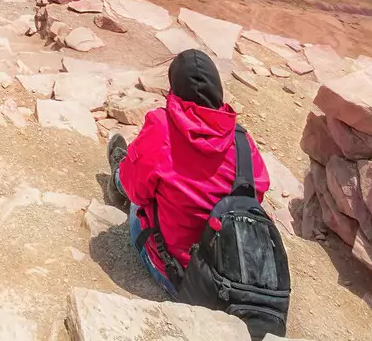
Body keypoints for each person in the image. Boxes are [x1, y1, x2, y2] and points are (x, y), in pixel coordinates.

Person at [109, 49, 270, 300]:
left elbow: (137, 192)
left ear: (174, 89)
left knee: (133, 190)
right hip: (233, 271)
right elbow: (256, 192)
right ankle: (123, 169)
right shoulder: (241, 140)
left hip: (181, 275)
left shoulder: (163, 127)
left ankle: (117, 173)